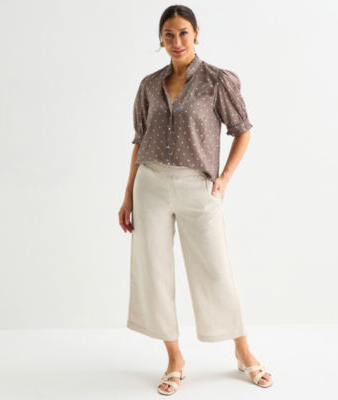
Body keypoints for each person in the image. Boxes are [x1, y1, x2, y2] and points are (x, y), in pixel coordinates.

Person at [118, 4, 273, 395]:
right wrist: (127, 194)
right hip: (151, 184)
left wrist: (225, 179)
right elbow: (139, 140)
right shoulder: (149, 85)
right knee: (153, 271)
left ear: (196, 33)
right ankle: (174, 359)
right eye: (168, 35)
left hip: (197, 185)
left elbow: (242, 131)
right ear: (161, 39)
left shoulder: (217, 81)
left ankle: (243, 352)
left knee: (216, 269)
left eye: (183, 33)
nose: (176, 41)